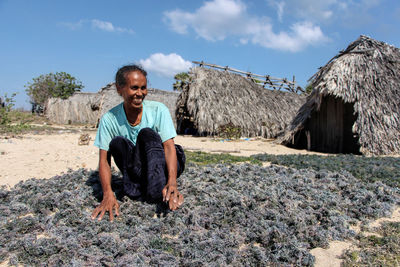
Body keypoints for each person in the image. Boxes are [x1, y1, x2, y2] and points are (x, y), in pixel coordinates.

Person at [91, 64, 185, 221]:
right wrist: (108, 193)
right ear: (119, 89)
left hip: (162, 160)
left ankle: (157, 188)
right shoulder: (109, 119)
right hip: (140, 164)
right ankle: (146, 187)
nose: (140, 93)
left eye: (143, 88)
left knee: (147, 134)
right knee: (117, 143)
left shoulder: (158, 110)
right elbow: (104, 160)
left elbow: (169, 147)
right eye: (134, 88)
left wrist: (173, 182)